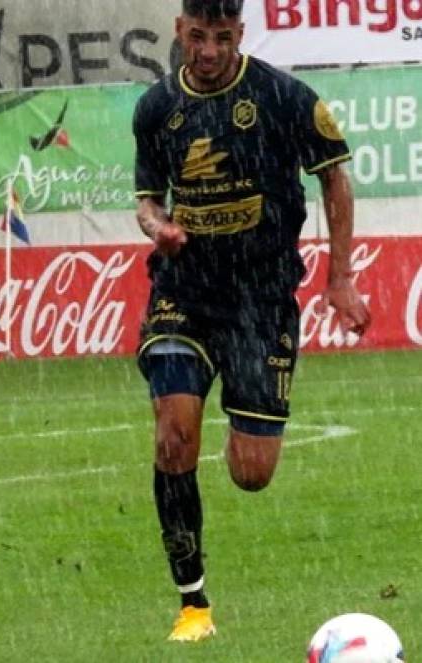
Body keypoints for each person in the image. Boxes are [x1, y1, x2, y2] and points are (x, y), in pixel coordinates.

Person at [132, 0, 371, 642]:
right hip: (184, 292)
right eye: (199, 37)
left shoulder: (283, 97)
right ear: (180, 30)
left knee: (251, 473)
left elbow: (336, 179)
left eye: (224, 38)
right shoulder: (157, 108)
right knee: (173, 435)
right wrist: (160, 227)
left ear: (241, 34)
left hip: (261, 298)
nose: (209, 51)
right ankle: (193, 605)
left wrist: (340, 278)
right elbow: (148, 200)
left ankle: (241, 416)